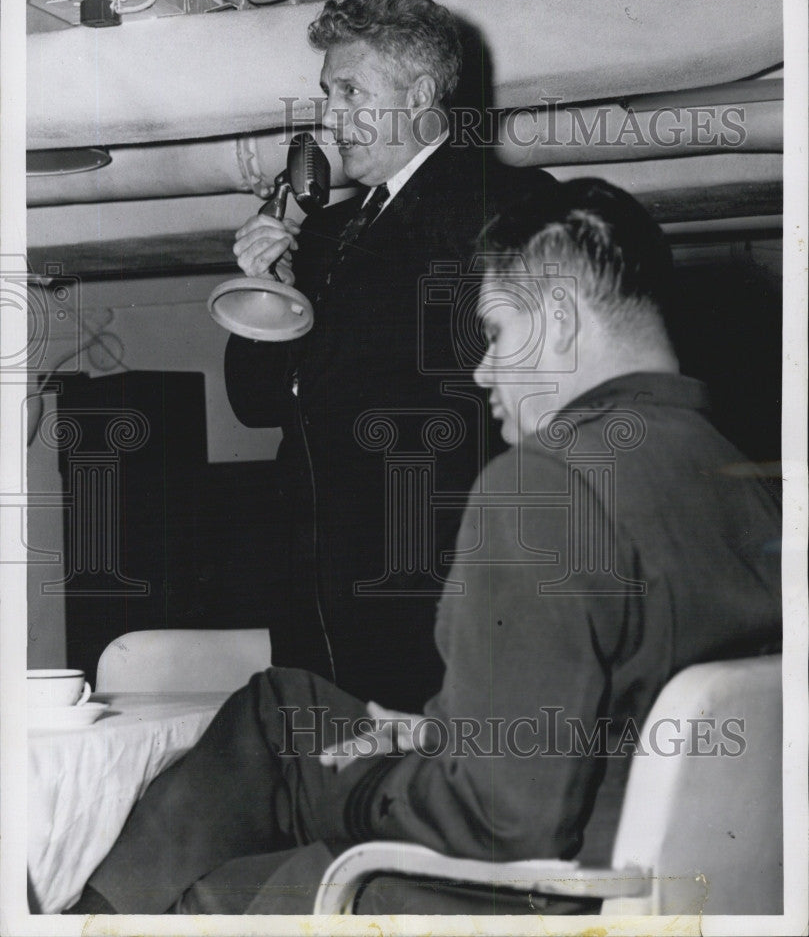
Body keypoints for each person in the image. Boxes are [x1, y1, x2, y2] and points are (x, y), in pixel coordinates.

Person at [69, 178, 780, 916]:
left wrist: (372, 781)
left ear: (559, 321)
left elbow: (501, 826)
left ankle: (94, 922)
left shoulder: (546, 482)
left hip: (540, 889)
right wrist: (443, 731)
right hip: (648, 851)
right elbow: (637, 695)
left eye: (497, 333)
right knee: (280, 707)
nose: (481, 372)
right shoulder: (737, 473)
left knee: (215, 893)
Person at [225, 0, 543, 710]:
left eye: (349, 91)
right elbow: (257, 402)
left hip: (433, 586)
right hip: (322, 597)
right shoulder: (333, 236)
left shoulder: (498, 200)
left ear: (421, 94)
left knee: (431, 802)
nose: (330, 118)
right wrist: (264, 286)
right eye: (325, 94)